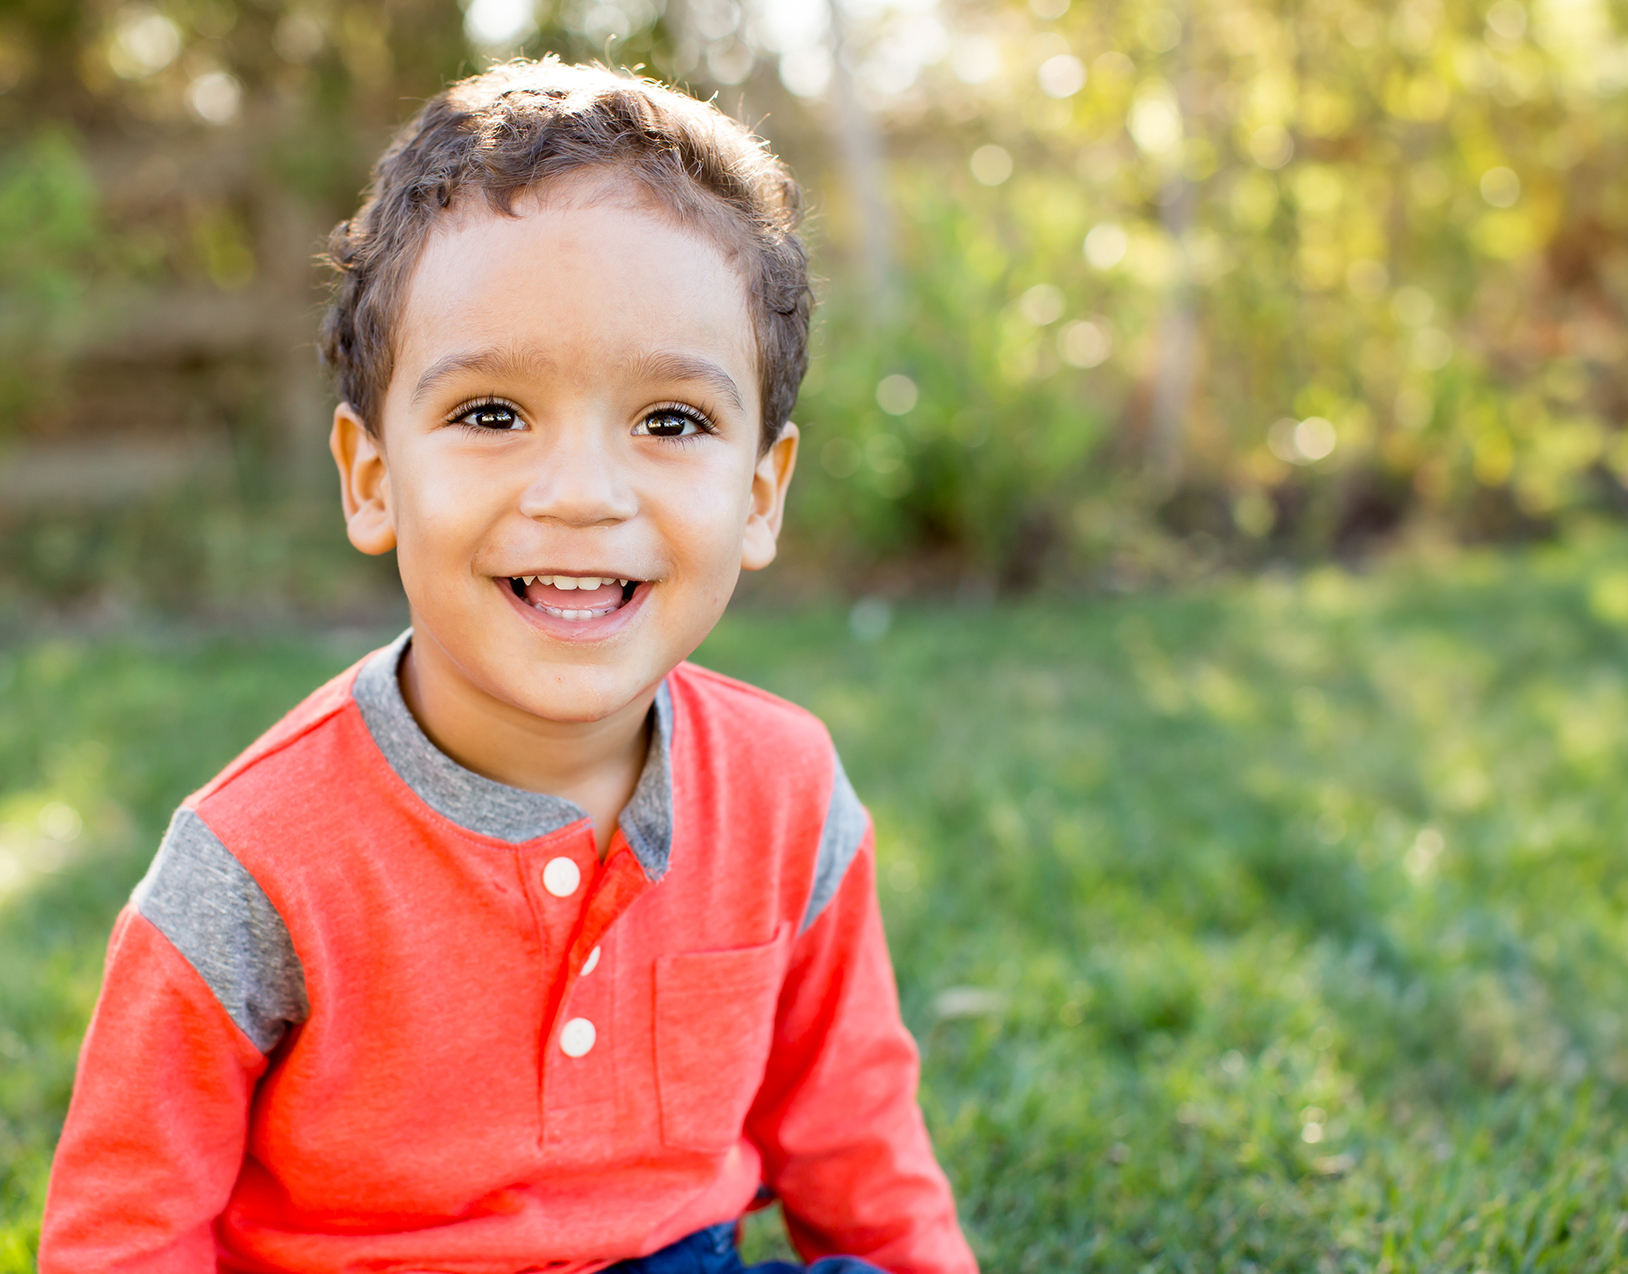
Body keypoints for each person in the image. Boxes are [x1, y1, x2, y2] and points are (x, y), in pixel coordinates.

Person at [38, 58, 977, 1274]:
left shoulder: (788, 792)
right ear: (372, 476)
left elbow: (856, 1135)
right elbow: (128, 1226)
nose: (580, 493)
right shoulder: (251, 861)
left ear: (759, 491)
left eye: (671, 420)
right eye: (490, 413)